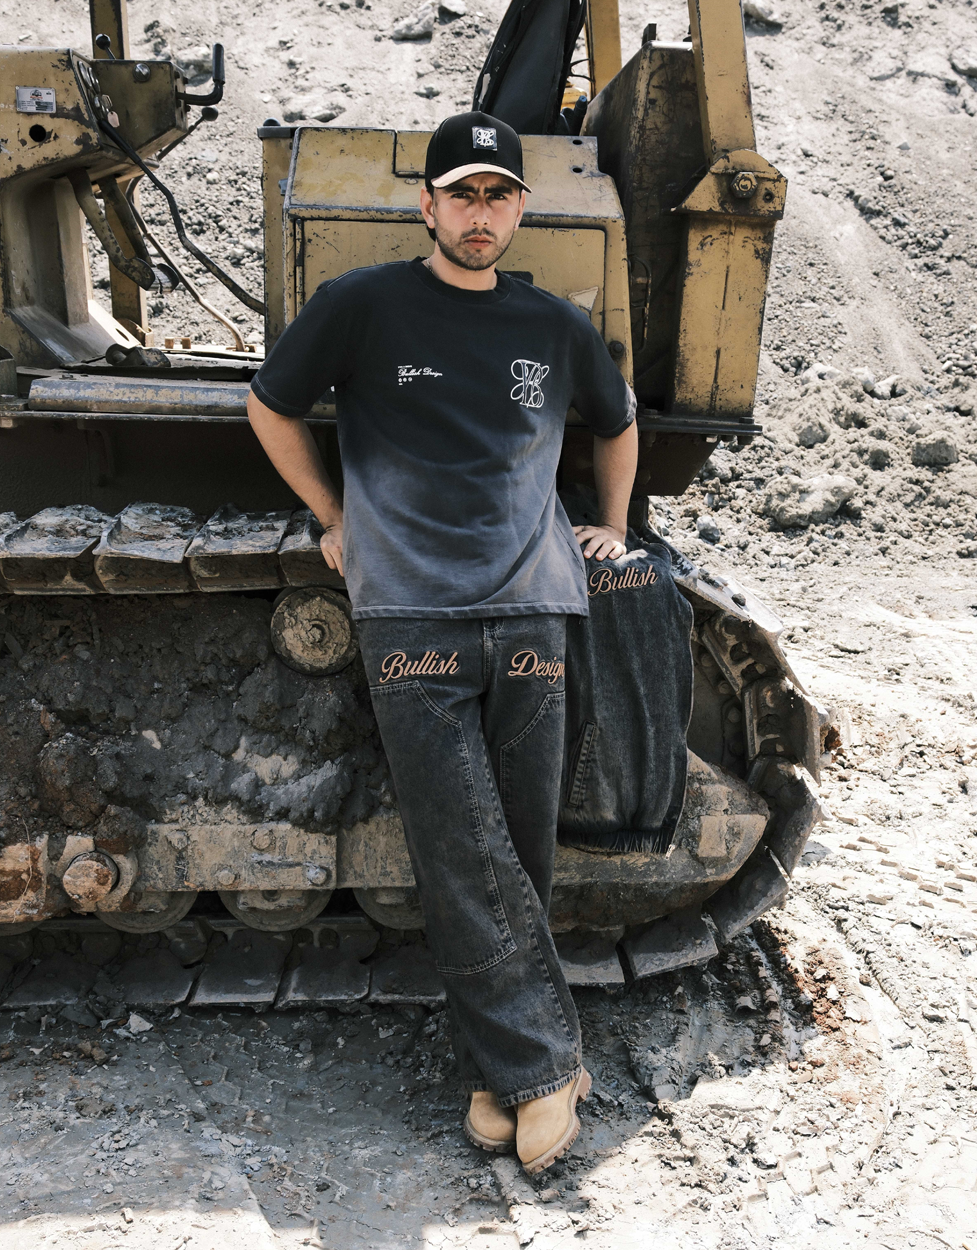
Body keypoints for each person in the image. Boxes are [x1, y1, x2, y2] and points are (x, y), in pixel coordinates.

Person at [247, 110, 638, 1174]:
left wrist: (611, 521)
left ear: (519, 210)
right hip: (412, 614)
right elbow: (270, 406)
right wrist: (332, 513)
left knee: (519, 851)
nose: (480, 212)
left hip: (533, 612)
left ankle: (492, 1072)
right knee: (460, 847)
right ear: (426, 205)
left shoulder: (552, 324)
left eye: (498, 195)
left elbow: (616, 419)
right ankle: (545, 1067)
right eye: (461, 193)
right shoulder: (362, 304)